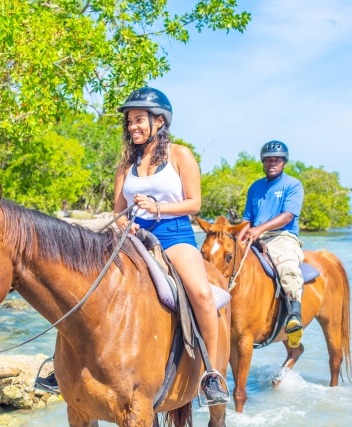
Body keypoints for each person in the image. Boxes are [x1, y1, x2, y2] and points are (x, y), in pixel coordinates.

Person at [113, 87, 229, 405]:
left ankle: (212, 374)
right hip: (134, 239)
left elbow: (194, 203)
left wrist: (158, 209)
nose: (133, 126)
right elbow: (116, 211)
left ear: (160, 121)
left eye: (139, 120)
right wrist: (128, 225)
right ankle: (66, 365)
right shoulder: (125, 164)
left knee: (203, 294)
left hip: (174, 236)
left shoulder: (180, 155)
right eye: (129, 122)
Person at [238, 141, 306, 349]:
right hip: (254, 236)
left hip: (282, 237)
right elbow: (247, 218)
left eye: (276, 159)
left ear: (283, 162)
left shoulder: (292, 185)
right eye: (268, 159)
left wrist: (260, 229)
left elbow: (287, 216)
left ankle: (294, 314)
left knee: (286, 266)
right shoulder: (255, 187)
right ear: (263, 162)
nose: (272, 163)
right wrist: (237, 238)